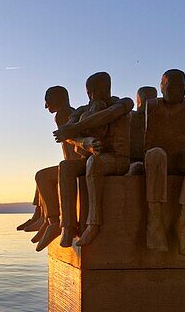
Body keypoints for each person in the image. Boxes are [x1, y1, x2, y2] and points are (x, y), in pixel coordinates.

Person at [130, 69, 185, 255]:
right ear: (162, 87)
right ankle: (155, 221)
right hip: (156, 157)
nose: (177, 90)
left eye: (181, 85)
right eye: (171, 86)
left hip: (182, 154)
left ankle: (184, 222)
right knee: (156, 154)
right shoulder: (152, 108)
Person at [52, 72, 133, 248]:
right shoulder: (82, 110)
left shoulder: (123, 103)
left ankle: (94, 224)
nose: (91, 96)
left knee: (94, 163)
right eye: (88, 92)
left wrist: (77, 128)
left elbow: (109, 115)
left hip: (117, 159)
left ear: (107, 88)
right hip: (90, 156)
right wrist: (84, 142)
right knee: (65, 166)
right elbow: (67, 134)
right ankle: (68, 225)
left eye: (95, 91)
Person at [16, 86, 76, 250]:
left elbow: (73, 145)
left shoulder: (63, 114)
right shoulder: (68, 112)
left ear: (57, 99)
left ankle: (53, 222)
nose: (45, 106)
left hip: (74, 166)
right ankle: (39, 216)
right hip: (71, 164)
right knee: (42, 176)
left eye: (47, 101)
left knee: (42, 176)